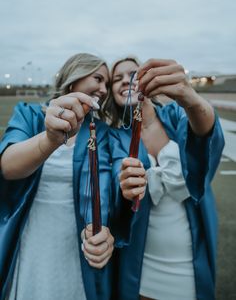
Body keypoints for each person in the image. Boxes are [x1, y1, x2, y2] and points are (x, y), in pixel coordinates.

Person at [106, 57, 224, 300]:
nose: (125, 81)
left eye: (132, 74)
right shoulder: (116, 137)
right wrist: (124, 185)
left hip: (190, 259)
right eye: (116, 79)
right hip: (142, 265)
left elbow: (206, 138)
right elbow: (113, 189)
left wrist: (190, 98)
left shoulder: (176, 114)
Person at [0, 53, 114, 300]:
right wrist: (50, 138)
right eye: (98, 78)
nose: (104, 89)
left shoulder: (100, 131)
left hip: (75, 239)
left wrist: (101, 229)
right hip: (33, 231)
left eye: (107, 83)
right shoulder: (30, 114)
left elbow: (102, 185)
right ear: (74, 78)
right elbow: (8, 167)